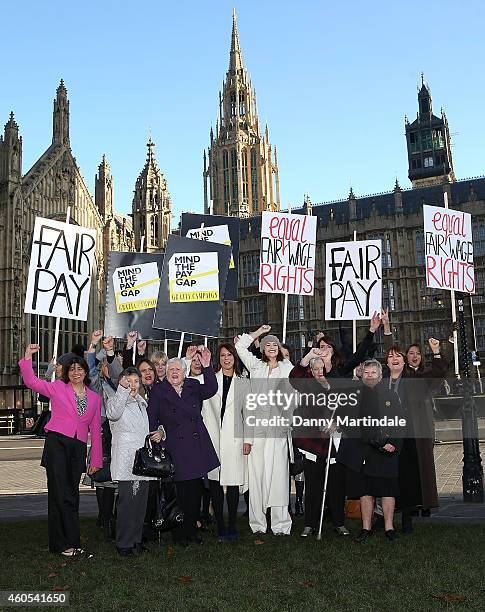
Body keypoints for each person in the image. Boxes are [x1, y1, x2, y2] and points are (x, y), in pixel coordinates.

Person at [19, 344, 102, 557]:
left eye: (79, 369)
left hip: (78, 447)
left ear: (85, 372)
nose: (76, 373)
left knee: (72, 494)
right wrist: (28, 357)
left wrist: (96, 460)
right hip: (56, 443)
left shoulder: (95, 398)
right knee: (58, 493)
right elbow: (31, 381)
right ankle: (61, 544)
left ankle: (72, 541)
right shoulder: (56, 388)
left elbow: (95, 430)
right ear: (66, 372)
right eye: (71, 369)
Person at [147, 350, 219, 545]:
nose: (174, 372)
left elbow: (212, 388)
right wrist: (158, 437)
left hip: (195, 445)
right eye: (171, 369)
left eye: (178, 369)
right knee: (179, 494)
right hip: (174, 447)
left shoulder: (193, 385)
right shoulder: (158, 391)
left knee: (195, 492)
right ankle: (180, 534)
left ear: (185, 372)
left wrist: (207, 366)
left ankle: (192, 533)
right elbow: (152, 418)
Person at [235, 325, 294, 536]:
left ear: (279, 349)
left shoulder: (287, 368)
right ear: (262, 348)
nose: (271, 346)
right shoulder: (255, 366)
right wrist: (259, 332)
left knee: (278, 476)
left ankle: (280, 525)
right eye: (267, 343)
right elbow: (240, 346)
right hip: (257, 428)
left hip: (277, 429)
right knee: (257, 476)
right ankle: (258, 524)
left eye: (274, 344)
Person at [384, 338, 446, 533]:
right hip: (387, 434)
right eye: (391, 357)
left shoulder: (413, 379)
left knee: (408, 475)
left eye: (398, 357)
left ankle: (407, 515)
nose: (395, 359)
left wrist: (436, 352)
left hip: (409, 433)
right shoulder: (383, 381)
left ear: (404, 362)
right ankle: (384, 516)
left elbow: (436, 373)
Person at [341, 360, 405, 543]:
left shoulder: (390, 394)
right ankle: (366, 528)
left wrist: (393, 443)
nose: (369, 376)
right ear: (361, 375)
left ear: (380, 376)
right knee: (365, 491)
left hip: (386, 451)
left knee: (387, 491)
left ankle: (389, 528)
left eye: (373, 373)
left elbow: (399, 421)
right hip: (363, 450)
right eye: (366, 373)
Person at [290, 349, 350, 537]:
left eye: (321, 368)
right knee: (314, 485)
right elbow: (294, 376)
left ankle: (339, 522)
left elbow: (348, 405)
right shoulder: (307, 385)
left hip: (334, 442)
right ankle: (310, 523)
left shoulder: (335, 384)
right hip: (313, 443)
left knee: (336, 485)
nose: (319, 371)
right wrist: (307, 357)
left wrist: (338, 422)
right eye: (315, 368)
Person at [107, 366, 161, 556]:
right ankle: (123, 543)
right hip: (125, 460)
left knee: (140, 505)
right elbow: (113, 414)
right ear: (121, 381)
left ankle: (136, 540)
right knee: (127, 504)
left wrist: (159, 434)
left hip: (142, 461)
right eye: (128, 381)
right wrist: (122, 390)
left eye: (136, 381)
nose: (133, 385)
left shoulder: (142, 404)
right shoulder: (115, 401)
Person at [203, 343, 248, 542]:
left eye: (229, 355)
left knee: (232, 483)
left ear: (234, 357)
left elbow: (249, 413)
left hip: (235, 439)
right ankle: (220, 525)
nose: (226, 358)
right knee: (214, 483)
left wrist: (249, 440)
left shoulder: (244, 382)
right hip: (213, 438)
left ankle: (232, 526)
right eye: (222, 355)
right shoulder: (210, 379)